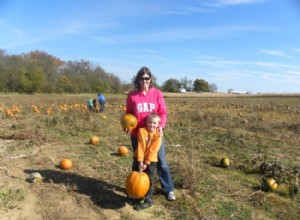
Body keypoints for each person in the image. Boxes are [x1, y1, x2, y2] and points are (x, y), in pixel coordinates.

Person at [125, 66, 176, 202]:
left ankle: (168, 189)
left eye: (147, 78)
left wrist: (161, 126)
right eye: (141, 78)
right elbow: (128, 114)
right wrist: (127, 126)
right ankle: (134, 190)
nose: (144, 81)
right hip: (138, 135)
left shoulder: (157, 93)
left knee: (160, 161)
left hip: (154, 135)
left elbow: (163, 112)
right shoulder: (132, 96)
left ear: (150, 79)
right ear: (138, 79)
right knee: (138, 161)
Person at [132, 113, 162, 211]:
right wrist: (140, 161)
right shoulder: (142, 131)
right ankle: (137, 196)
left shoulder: (158, 135)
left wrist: (146, 163)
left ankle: (148, 201)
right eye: (150, 122)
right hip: (138, 158)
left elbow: (153, 150)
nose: (152, 125)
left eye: (154, 123)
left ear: (158, 124)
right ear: (146, 122)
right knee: (136, 177)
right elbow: (140, 146)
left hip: (151, 161)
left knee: (149, 180)